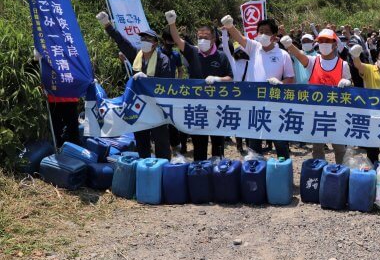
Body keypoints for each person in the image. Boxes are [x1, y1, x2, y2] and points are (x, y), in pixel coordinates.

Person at [96, 11, 172, 159]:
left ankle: (164, 170)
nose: (144, 40)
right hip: (138, 106)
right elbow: (122, 42)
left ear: (155, 43)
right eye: (142, 37)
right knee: (141, 140)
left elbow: (166, 84)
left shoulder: (163, 60)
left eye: (148, 38)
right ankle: (144, 167)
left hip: (157, 107)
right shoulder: (136, 55)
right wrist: (107, 25)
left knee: (161, 141)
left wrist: (148, 80)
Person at [220, 15, 295, 159]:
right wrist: (230, 26)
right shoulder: (254, 48)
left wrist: (280, 84)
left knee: (280, 142)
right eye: (260, 31)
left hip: (275, 105)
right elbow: (239, 38)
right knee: (254, 143)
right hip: (254, 104)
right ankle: (256, 174)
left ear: (274, 36)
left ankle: (282, 172)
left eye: (267, 32)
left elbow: (290, 78)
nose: (263, 35)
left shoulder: (283, 54)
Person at [165, 10, 233, 160]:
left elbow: (230, 78)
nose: (202, 40)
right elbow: (177, 40)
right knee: (199, 147)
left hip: (217, 108)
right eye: (199, 37)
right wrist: (172, 23)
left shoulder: (221, 57)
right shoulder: (193, 52)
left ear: (214, 38)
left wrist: (218, 79)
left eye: (206, 37)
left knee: (217, 146)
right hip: (198, 108)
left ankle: (218, 173)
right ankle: (200, 173)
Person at [281, 28, 352, 163]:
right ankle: (318, 174)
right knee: (317, 148)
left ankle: (341, 174)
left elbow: (350, 85)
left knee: (339, 148)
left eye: (327, 41)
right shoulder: (313, 61)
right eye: (321, 41)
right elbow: (300, 56)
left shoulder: (343, 65)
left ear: (335, 44)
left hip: (336, 113)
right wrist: (290, 45)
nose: (324, 44)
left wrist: (347, 82)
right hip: (316, 113)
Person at [33, 49, 81, 148]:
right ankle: (72, 149)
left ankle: (64, 148)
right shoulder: (68, 41)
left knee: (59, 127)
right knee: (69, 127)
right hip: (64, 93)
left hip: (57, 94)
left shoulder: (45, 42)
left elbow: (36, 57)